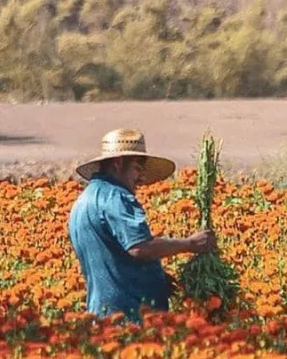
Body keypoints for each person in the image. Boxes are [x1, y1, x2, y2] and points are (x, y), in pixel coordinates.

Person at [68, 128, 217, 318]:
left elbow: (110, 256)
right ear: (118, 163)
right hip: (129, 318)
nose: (142, 178)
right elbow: (139, 248)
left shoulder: (84, 200)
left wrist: (154, 277)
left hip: (101, 313)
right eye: (137, 168)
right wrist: (190, 244)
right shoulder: (116, 196)